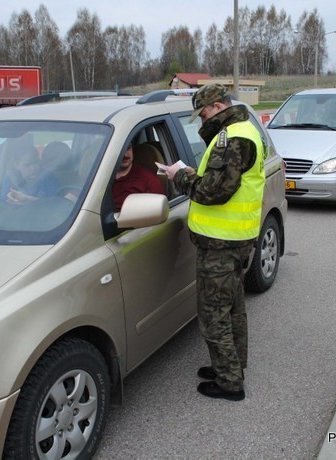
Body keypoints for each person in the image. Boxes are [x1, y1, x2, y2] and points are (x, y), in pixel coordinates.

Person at [160, 84, 265, 401]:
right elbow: (224, 181)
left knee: (213, 314)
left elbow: (213, 192)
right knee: (232, 308)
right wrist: (195, 172)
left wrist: (180, 177)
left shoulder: (232, 137)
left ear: (218, 106)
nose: (201, 119)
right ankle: (232, 366)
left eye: (203, 113)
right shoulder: (242, 130)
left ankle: (230, 382)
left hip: (221, 243)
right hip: (235, 238)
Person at [112, 143, 165, 212]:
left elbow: (159, 211)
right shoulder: (101, 178)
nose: (125, 155)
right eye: (121, 150)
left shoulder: (148, 179)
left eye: (128, 148)